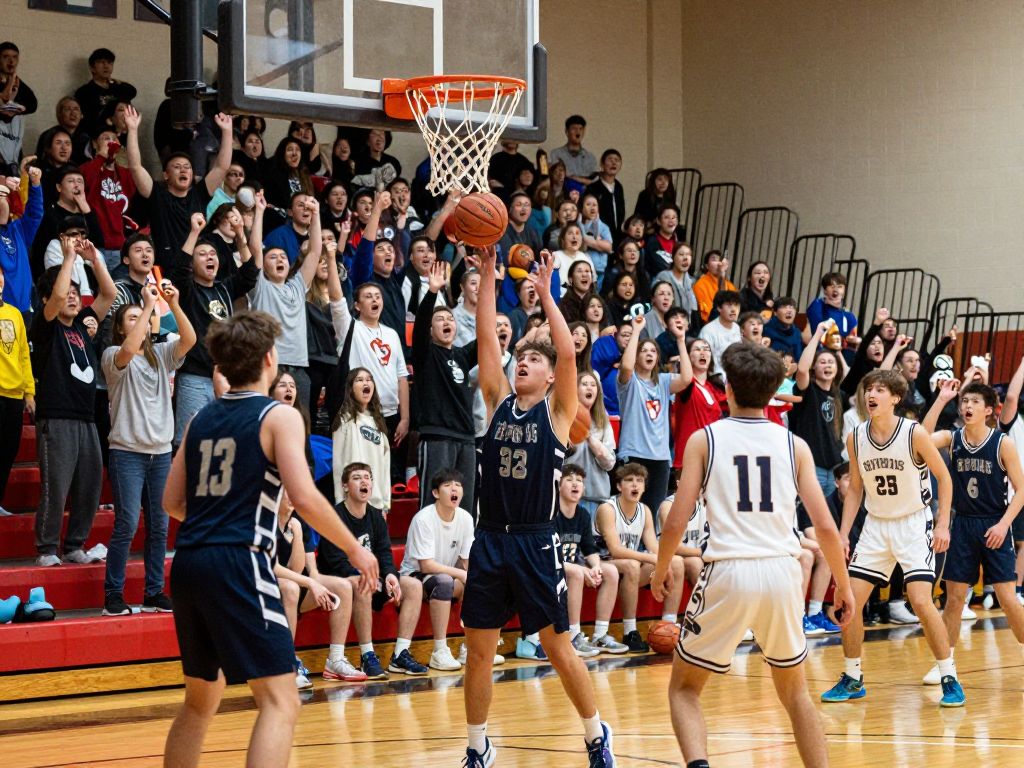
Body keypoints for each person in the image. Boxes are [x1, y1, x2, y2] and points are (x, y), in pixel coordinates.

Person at [161, 311, 378, 768]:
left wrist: (219, 515)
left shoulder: (199, 419)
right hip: (239, 560)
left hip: (189, 563)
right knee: (281, 701)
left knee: (200, 702)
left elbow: (172, 502)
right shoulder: (278, 415)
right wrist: (356, 548)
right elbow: (305, 496)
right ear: (269, 360)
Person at [652, 342, 855, 768]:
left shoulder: (704, 438)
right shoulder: (794, 444)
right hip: (783, 571)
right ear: (774, 391)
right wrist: (843, 585)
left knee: (684, 689)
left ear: (727, 387)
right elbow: (826, 528)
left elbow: (676, 520)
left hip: (729, 570)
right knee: (795, 693)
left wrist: (660, 569)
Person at [462, 246, 615, 767]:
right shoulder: (496, 400)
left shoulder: (557, 415)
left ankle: (596, 735)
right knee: (478, 652)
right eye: (520, 357)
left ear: (550, 377)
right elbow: (486, 338)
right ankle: (478, 746)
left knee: (557, 646)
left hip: (534, 539)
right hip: (489, 540)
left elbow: (569, 354)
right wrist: (487, 276)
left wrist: (548, 295)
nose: (522, 361)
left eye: (533, 360)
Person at [820, 369, 963, 707]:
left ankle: (949, 676)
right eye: (870, 388)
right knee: (850, 604)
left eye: (881, 389)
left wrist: (942, 525)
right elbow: (855, 488)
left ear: (896, 398)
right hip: (876, 525)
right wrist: (842, 533)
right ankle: (853, 677)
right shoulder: (855, 436)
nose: (873, 393)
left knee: (921, 600)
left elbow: (945, 478)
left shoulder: (913, 433)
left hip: (913, 524)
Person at [919, 380, 1024, 684]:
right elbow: (922, 437)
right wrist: (941, 400)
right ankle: (945, 664)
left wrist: (1004, 524)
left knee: (1007, 598)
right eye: (965, 401)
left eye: (975, 402)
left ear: (989, 410)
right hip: (963, 524)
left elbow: (1021, 490)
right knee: (953, 599)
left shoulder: (1002, 442)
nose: (967, 406)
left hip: (994, 522)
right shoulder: (953, 438)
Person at [101, 281, 195, 616]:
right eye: (130, 318)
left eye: (140, 318)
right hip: (126, 452)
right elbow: (129, 347)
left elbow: (190, 339)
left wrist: (174, 302)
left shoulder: (161, 357)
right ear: (120, 327)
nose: (138, 320)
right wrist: (145, 306)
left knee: (159, 525)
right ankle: (113, 594)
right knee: (126, 523)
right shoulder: (113, 356)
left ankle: (153, 591)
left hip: (160, 453)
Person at [31, 237, 116, 566]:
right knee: (57, 485)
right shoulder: (45, 326)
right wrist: (67, 258)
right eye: (64, 290)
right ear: (47, 298)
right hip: (56, 417)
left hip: (86, 418)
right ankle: (47, 549)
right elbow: (54, 297)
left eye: (73, 291)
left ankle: (74, 545)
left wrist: (95, 260)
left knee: (89, 485)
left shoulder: (82, 325)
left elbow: (108, 294)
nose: (70, 295)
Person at [317, 462, 430, 678]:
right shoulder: (335, 516)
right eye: (357, 477)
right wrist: (371, 578)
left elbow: (384, 552)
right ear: (345, 486)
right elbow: (335, 561)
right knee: (363, 584)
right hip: (340, 579)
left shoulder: (376, 516)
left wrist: (390, 575)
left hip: (373, 578)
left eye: (367, 477)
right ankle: (367, 655)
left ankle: (400, 655)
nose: (364, 481)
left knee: (413, 586)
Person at [171, 211, 258, 445]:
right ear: (193, 262)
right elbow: (179, 270)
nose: (210, 257)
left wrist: (241, 234)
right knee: (190, 442)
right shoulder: (187, 291)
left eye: (213, 254)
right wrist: (195, 232)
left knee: (221, 442)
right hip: (195, 377)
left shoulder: (224, 287)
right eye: (202, 254)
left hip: (225, 377)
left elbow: (250, 275)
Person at [271, 492, 366, 688]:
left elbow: (298, 568)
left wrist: (297, 534)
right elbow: (272, 567)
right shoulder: (266, 520)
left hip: (294, 582)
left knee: (343, 587)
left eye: (292, 493)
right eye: (286, 493)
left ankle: (335, 660)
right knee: (291, 588)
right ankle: (286, 663)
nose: (291, 497)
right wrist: (310, 583)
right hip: (263, 585)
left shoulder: (298, 521)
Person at [125, 105, 234, 269]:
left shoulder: (199, 194)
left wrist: (227, 131)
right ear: (165, 175)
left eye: (187, 167)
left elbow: (222, 167)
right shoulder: (157, 195)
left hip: (195, 271)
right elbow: (135, 167)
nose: (183, 169)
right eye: (176, 167)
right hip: (165, 271)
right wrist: (132, 129)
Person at [594, 463, 687, 653]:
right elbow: (615, 549)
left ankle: (668, 626)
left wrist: (662, 560)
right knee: (632, 565)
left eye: (639, 481)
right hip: (602, 564)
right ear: (619, 486)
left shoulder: (644, 511)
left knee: (676, 561)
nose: (635, 485)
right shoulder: (607, 509)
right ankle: (630, 631)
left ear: (644, 487)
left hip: (630, 568)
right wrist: (654, 560)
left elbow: (654, 547)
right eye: (629, 480)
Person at [412, 262, 478, 510]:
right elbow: (419, 327)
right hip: (437, 437)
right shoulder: (425, 353)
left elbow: (486, 335)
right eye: (439, 319)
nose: (446, 321)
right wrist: (432, 292)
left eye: (450, 318)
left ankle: (463, 550)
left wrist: (488, 289)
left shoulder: (462, 355)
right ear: (431, 329)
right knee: (432, 506)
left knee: (466, 507)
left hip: (466, 439)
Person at [399, 470, 478, 671]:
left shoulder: (466, 518)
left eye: (458, 486)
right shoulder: (424, 518)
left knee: (478, 581)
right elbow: (426, 565)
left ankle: (470, 648)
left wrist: (474, 578)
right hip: (415, 577)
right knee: (443, 581)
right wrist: (461, 574)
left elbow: (467, 561)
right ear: (435, 493)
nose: (454, 489)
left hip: (449, 576)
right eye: (448, 485)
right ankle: (439, 651)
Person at [616, 313, 688, 510]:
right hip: (633, 453)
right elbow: (626, 366)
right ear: (636, 355)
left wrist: (681, 340)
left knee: (654, 511)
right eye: (644, 351)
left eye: (653, 351)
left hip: (660, 457)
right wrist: (636, 331)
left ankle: (649, 543)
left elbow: (687, 378)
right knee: (629, 510)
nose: (649, 354)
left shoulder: (664, 381)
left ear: (657, 358)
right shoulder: (629, 382)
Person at [555, 465, 628, 656]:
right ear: (559, 485)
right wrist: (581, 569)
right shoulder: (550, 513)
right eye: (570, 479)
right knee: (578, 572)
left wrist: (595, 567)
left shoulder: (583, 515)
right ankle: (573, 635)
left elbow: (589, 549)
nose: (575, 484)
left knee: (609, 571)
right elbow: (547, 555)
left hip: (571, 566)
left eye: (579, 481)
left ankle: (600, 635)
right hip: (548, 565)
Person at [330, 368, 390, 512]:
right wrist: (340, 500)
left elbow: (385, 464)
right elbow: (337, 463)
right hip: (351, 503)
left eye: (369, 379)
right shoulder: (344, 419)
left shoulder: (378, 422)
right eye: (360, 380)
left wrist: (386, 503)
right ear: (351, 389)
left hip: (377, 504)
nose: (366, 382)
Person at [0, 261, 34, 516]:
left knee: (8, 452)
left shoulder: (14, 314)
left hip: (14, 394)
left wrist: (29, 392)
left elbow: (23, 355)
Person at [0, 159, 42, 312]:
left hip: (24, 309)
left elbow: (34, 213)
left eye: (4, 196)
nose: (2, 201)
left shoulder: (18, 229)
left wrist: (35, 185)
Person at [1000, 356, 1024, 604]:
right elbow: (1011, 397)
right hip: (1007, 493)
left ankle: (1016, 591)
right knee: (1003, 542)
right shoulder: (1011, 422)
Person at [74, 48, 137, 136]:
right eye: (101, 62)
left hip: (121, 135)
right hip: (97, 137)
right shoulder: (84, 92)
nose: (106, 66)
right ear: (92, 67)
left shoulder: (119, 88)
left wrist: (117, 82)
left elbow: (132, 92)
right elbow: (86, 120)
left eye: (109, 62)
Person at [697, 290, 742, 378]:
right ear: (719, 308)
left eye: (736, 305)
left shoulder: (736, 328)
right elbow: (704, 362)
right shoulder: (708, 331)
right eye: (729, 305)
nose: (733, 309)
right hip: (716, 378)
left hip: (735, 376)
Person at [585, 149, 626, 240]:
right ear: (602, 164)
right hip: (599, 236)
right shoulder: (593, 187)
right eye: (610, 159)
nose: (614, 163)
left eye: (617, 160)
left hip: (617, 236)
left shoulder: (619, 187)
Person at [549, 115, 598, 185]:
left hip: (586, 194)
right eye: (574, 128)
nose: (578, 132)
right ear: (566, 131)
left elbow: (595, 182)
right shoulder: (556, 154)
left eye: (581, 129)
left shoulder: (590, 157)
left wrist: (573, 178)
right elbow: (556, 177)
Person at [692, 250, 737, 324]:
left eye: (720, 260)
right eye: (714, 260)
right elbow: (706, 317)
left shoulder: (730, 286)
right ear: (707, 266)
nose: (719, 263)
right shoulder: (700, 285)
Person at [643, 205, 681, 280]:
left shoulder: (679, 244)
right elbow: (658, 266)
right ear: (659, 221)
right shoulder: (652, 242)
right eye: (666, 217)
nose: (671, 220)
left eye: (674, 217)